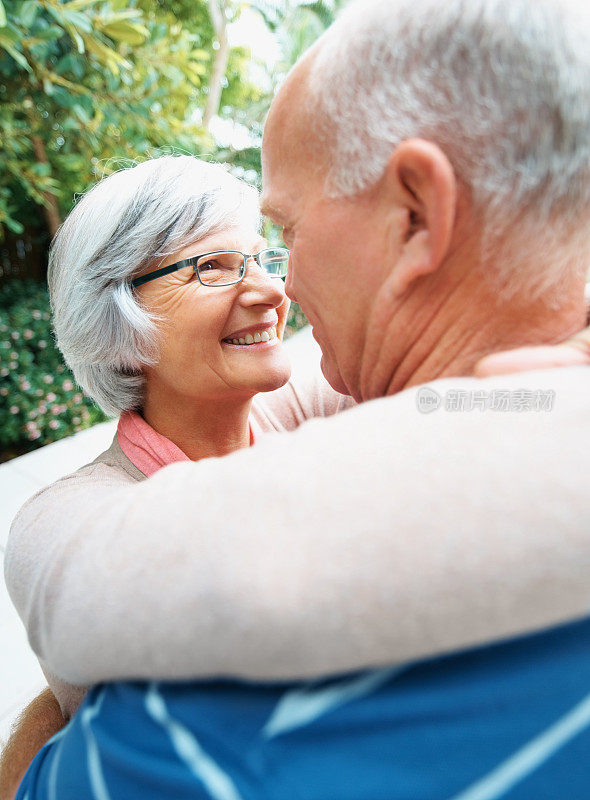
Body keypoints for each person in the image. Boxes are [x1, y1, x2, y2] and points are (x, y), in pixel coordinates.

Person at [4, 0, 590, 796]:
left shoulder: (181, 729)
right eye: (213, 267)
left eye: (276, 242)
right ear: (120, 323)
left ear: (419, 215)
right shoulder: (99, 507)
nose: (277, 287)